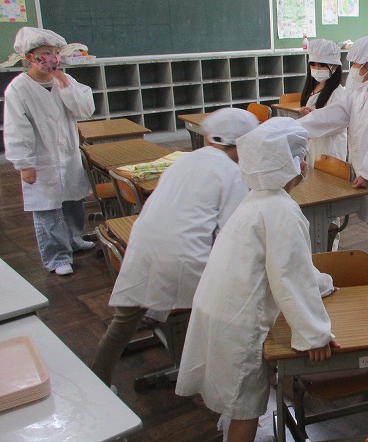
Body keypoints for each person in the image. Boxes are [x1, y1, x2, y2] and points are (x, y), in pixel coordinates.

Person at [176, 118, 338, 442]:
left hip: (219, 311)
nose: (304, 164)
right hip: (240, 324)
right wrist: (314, 334)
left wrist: (321, 282)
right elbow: (290, 278)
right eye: (299, 157)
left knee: (237, 397)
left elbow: (287, 268)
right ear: (286, 164)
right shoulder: (282, 211)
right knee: (246, 404)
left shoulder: (256, 202)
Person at [91, 108, 259, 388]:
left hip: (142, 247)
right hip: (183, 258)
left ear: (209, 138)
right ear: (243, 145)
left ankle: (97, 380)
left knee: (124, 322)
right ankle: (208, 374)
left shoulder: (184, 160)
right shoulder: (231, 173)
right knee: (229, 305)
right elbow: (233, 232)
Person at [299, 35, 368, 283]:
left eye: (356, 63)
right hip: (362, 168)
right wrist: (299, 126)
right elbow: (334, 115)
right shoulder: (360, 93)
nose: (353, 69)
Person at [3, 27, 95, 276]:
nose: (52, 58)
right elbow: (16, 129)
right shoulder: (18, 89)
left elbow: (85, 110)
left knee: (73, 201)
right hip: (41, 159)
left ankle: (74, 240)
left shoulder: (65, 81)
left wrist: (65, 86)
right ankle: (57, 256)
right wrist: (24, 163)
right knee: (48, 209)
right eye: (45, 53)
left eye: (55, 52)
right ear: (29, 57)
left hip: (68, 155)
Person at [297, 39, 347, 167]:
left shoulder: (338, 93)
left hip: (330, 149)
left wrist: (313, 117)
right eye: (313, 64)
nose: (316, 69)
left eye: (322, 65)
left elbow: (334, 123)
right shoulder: (312, 88)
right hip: (314, 147)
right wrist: (307, 115)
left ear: (334, 67)